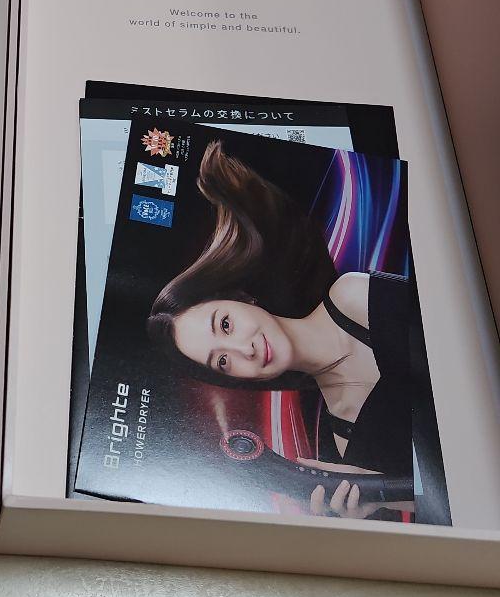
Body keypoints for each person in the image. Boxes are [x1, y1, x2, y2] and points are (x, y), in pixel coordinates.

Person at [145, 140, 417, 519]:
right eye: (222, 361)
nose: (244, 350)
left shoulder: (354, 297)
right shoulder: (343, 442)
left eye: (226, 324)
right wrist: (382, 499)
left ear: (242, 298)